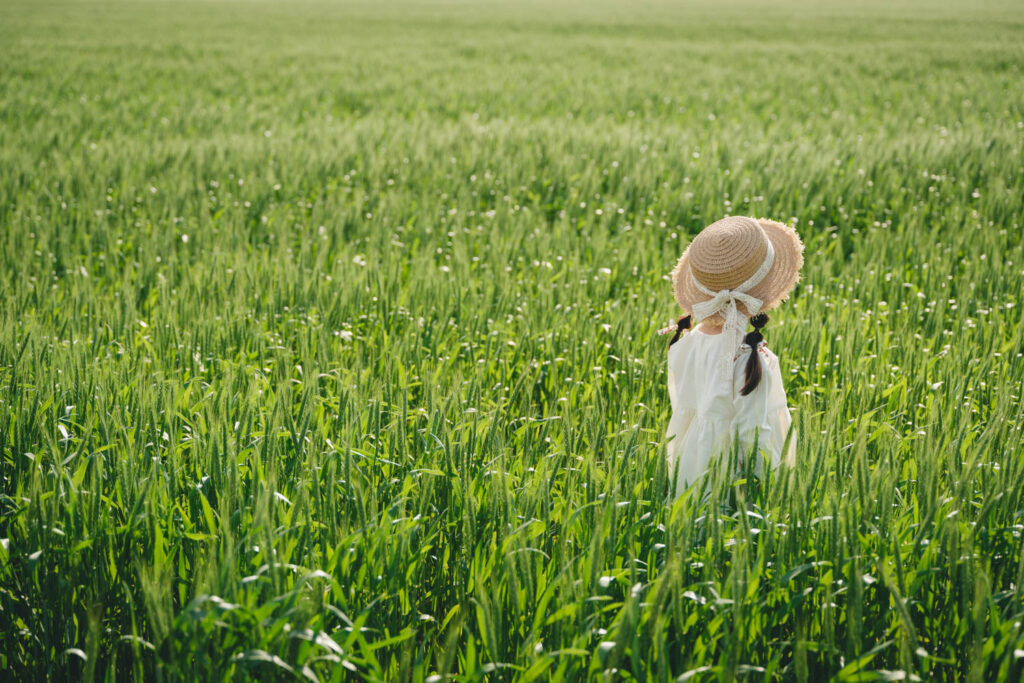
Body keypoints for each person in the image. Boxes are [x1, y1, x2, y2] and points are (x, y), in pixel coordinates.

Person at [662, 216, 804, 500]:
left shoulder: (684, 341)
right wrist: (769, 487)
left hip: (689, 468)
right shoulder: (751, 358)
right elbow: (754, 433)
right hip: (735, 480)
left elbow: (683, 407)